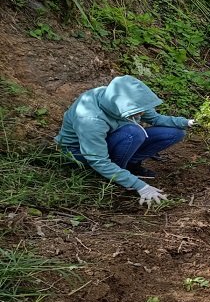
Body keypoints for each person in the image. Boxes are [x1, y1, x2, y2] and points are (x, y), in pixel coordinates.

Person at [54, 75, 195, 206]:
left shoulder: (126, 99)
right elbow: (97, 159)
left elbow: (155, 119)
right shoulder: (90, 119)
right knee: (133, 133)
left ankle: (130, 164)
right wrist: (140, 185)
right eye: (138, 111)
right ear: (121, 106)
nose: (142, 114)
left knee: (174, 133)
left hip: (115, 138)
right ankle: (118, 174)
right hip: (80, 151)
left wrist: (185, 122)